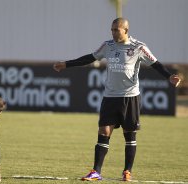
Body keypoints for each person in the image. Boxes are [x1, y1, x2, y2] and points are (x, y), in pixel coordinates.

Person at [53, 18, 181, 181]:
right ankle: (96, 171)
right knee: (103, 132)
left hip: (130, 97)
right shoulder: (108, 46)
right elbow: (90, 58)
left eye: (116, 30)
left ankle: (127, 171)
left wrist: (169, 77)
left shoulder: (138, 47)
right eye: (112, 30)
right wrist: (66, 64)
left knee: (130, 135)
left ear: (125, 30)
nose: (113, 33)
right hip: (110, 97)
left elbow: (155, 64)